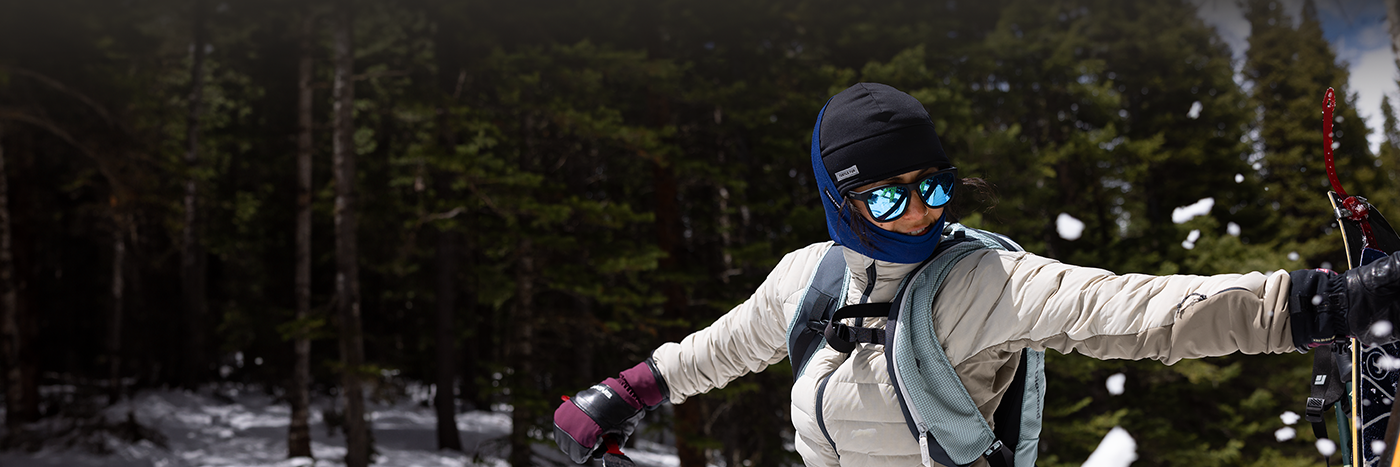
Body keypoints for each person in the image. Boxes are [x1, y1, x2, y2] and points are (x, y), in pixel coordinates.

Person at [551, 82, 1400, 466]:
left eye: (934, 185)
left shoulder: (983, 279)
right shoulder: (805, 278)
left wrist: (1321, 303)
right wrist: (628, 391)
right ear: (839, 199)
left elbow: (1144, 312)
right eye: (889, 194)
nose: (920, 211)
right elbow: (718, 348)